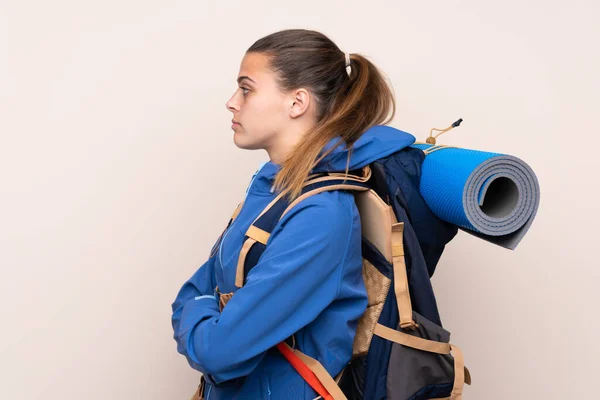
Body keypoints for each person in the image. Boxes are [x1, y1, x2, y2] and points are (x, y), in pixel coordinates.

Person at [171, 28, 414, 399]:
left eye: (247, 88)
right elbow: (196, 290)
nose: (232, 102)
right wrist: (209, 318)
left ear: (297, 102)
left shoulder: (320, 214)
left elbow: (219, 350)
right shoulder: (273, 189)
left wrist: (205, 321)